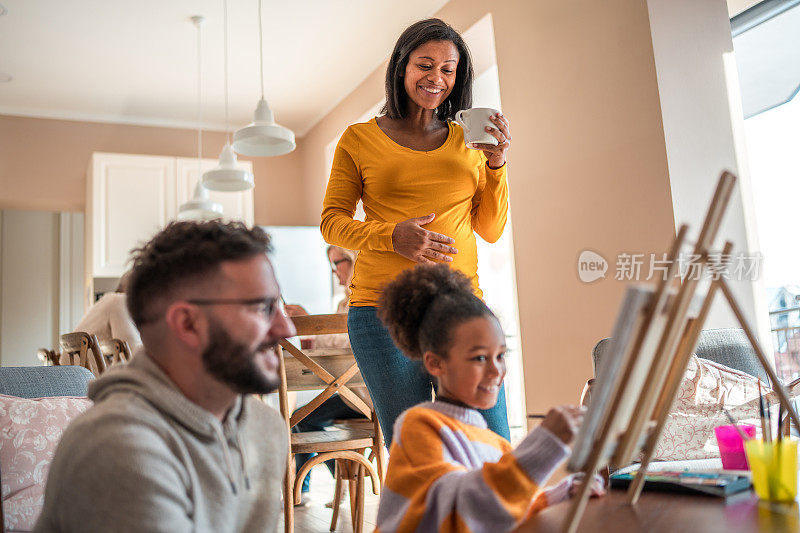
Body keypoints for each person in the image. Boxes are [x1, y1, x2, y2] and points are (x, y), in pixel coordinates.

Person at [320, 18, 512, 445]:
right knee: (415, 448)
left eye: (448, 69)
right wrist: (392, 236)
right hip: (382, 312)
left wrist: (497, 166)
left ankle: (492, 515)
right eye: (425, 65)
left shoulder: (471, 141)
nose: (437, 78)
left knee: (491, 442)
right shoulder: (358, 140)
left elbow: (491, 229)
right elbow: (332, 222)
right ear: (401, 67)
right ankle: (424, 515)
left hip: (462, 308)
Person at [35, 221, 296, 533]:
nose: (287, 329)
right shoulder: (119, 449)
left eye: (279, 305)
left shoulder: (265, 427)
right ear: (187, 324)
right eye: (263, 308)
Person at [374, 265, 604, 532]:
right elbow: (460, 511)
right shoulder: (417, 426)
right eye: (480, 358)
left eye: (500, 356)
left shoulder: (496, 443)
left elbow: (505, 511)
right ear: (436, 363)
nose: (496, 371)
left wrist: (561, 494)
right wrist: (543, 447)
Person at [286, 245, 370, 505]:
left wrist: (311, 322)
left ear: (354, 259)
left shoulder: (365, 302)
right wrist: (310, 334)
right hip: (351, 393)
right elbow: (335, 345)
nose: (335, 271)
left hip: (365, 395)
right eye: (332, 266)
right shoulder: (343, 304)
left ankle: (326, 484)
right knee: (302, 419)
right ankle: (331, 481)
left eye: (339, 263)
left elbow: (347, 337)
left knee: (302, 420)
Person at [73, 270, 142, 354]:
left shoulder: (106, 301)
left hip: (72, 366)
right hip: (83, 367)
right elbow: (131, 355)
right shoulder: (119, 301)